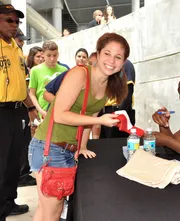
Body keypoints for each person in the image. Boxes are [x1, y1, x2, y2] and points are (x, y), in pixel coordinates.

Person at [28, 32, 129, 220]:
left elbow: (89, 115)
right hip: (50, 148)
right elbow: (59, 114)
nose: (111, 60)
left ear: (123, 62)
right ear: (97, 54)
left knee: (46, 210)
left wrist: (81, 146)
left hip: (66, 148)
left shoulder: (109, 85)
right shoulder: (79, 74)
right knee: (52, 211)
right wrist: (101, 120)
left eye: (118, 57)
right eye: (107, 53)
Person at [0, 4, 39, 220]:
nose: (14, 26)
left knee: (14, 162)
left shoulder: (16, 49)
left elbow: (20, 85)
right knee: (1, 164)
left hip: (17, 112)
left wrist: (31, 107)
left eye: (17, 21)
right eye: (9, 20)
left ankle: (8, 203)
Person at [13, 29, 37, 187]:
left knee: (22, 142)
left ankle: (22, 173)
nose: (22, 43)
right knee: (19, 144)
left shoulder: (19, 56)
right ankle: (21, 175)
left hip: (20, 106)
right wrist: (31, 107)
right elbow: (20, 87)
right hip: (16, 106)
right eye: (20, 40)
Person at [92, 59, 135, 139]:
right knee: (104, 145)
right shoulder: (108, 65)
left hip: (117, 112)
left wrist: (119, 114)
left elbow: (127, 92)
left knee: (117, 145)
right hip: (103, 113)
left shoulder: (126, 64)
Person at [29, 40, 68, 118]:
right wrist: (40, 111)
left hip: (61, 111)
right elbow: (32, 94)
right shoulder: (35, 70)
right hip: (44, 112)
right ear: (43, 55)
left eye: (55, 55)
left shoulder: (64, 70)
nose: (52, 58)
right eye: (49, 55)